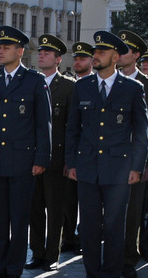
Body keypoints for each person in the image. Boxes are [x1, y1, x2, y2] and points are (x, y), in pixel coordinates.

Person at [66, 31, 148, 278]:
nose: (95, 56)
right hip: (88, 167)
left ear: (115, 57)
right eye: (94, 52)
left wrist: (137, 167)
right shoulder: (82, 86)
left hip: (118, 169)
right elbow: (72, 130)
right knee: (89, 227)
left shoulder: (133, 88)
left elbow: (141, 132)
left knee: (114, 227)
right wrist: (71, 163)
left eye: (101, 52)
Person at [0, 26, 52, 278]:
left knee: (19, 220)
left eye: (6, 47)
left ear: (20, 51)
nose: (1, 51)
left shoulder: (34, 80)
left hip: (22, 161)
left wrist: (42, 158)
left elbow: (44, 124)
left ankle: (14, 271)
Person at [26, 34, 75, 272]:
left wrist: (70, 160)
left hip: (56, 160)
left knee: (56, 209)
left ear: (58, 59)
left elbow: (73, 126)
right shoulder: (30, 82)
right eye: (40, 52)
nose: (41, 55)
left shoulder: (68, 87)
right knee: (34, 209)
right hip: (31, 157)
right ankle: (36, 252)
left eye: (46, 53)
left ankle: (52, 254)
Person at [116, 31, 148, 275]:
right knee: (108, 213)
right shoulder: (108, 81)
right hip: (109, 158)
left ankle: (128, 259)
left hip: (136, 161)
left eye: (126, 50)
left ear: (137, 55)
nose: (119, 55)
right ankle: (109, 257)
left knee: (132, 213)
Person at [61, 41, 95, 256]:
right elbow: (68, 125)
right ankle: (68, 238)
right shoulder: (72, 86)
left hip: (91, 154)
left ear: (92, 61)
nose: (77, 61)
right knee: (68, 200)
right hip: (72, 153)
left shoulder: (96, 86)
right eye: (76, 58)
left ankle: (84, 236)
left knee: (88, 203)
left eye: (82, 58)